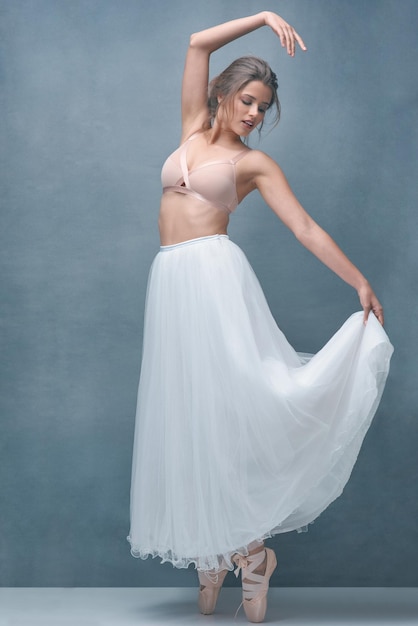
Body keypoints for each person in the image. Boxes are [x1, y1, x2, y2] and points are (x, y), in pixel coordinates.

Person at [128, 10, 393, 624]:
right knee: (188, 418)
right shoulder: (193, 126)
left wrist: (360, 281)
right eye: (247, 101)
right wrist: (264, 18)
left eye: (262, 108)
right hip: (170, 283)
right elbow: (196, 42)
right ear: (223, 94)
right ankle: (215, 550)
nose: (253, 115)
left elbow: (303, 227)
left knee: (226, 414)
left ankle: (250, 554)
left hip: (215, 283)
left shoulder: (253, 165)